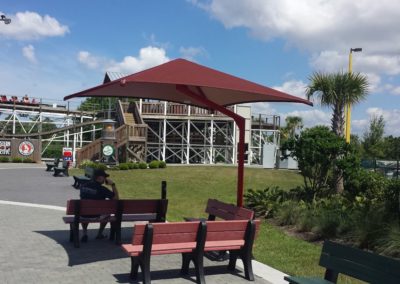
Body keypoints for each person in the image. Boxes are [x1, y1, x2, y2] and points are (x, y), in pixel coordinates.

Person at [79, 169, 119, 242]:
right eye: (104, 177)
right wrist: (113, 185)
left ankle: (84, 233)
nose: (105, 179)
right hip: (96, 216)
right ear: (100, 178)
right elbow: (116, 199)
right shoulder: (102, 189)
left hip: (83, 215)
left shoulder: (83, 186)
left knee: (86, 211)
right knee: (108, 213)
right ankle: (99, 234)